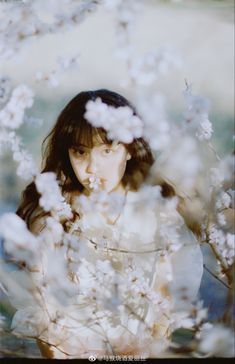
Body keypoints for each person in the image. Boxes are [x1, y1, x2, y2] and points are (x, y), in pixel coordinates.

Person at [14, 89, 203, 359]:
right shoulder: (52, 214)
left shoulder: (157, 210)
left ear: (129, 149)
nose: (92, 167)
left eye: (107, 150)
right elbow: (44, 310)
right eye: (80, 152)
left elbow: (165, 304)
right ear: (66, 152)